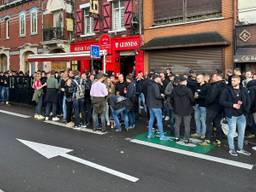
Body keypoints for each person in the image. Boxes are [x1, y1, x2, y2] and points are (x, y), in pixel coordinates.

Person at [219, 75, 251, 156]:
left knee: (242, 133)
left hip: (242, 115)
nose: (232, 82)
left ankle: (240, 148)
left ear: (239, 81)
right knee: (231, 132)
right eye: (232, 80)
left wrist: (246, 111)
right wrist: (232, 105)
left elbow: (248, 100)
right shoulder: (226, 90)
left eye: (234, 80)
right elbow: (221, 101)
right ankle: (232, 149)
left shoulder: (243, 89)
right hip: (231, 115)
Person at [204, 73, 226, 146]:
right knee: (217, 124)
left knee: (208, 123)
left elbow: (211, 97)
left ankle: (207, 139)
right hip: (220, 108)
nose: (212, 78)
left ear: (217, 77)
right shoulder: (225, 84)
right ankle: (218, 139)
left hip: (212, 107)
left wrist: (206, 103)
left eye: (213, 76)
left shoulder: (216, 85)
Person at [170, 75, 194, 143]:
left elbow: (171, 100)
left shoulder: (174, 90)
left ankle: (177, 137)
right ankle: (186, 138)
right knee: (187, 125)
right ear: (184, 82)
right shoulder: (188, 90)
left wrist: (174, 106)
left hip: (177, 110)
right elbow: (192, 100)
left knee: (177, 124)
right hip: (187, 110)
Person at [146, 74, 168, 141]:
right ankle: (161, 135)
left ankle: (149, 134)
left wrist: (161, 85)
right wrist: (162, 96)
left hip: (150, 104)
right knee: (159, 120)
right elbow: (157, 96)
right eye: (159, 77)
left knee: (151, 119)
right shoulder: (155, 85)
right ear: (156, 78)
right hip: (156, 105)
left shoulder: (149, 84)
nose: (160, 79)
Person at [192, 74, 208, 139]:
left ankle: (203, 134)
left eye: (199, 78)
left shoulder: (207, 86)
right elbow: (195, 94)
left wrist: (199, 96)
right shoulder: (196, 85)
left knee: (203, 120)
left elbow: (208, 97)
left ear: (203, 79)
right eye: (197, 78)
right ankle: (198, 132)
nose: (197, 79)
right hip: (197, 105)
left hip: (203, 105)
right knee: (196, 119)